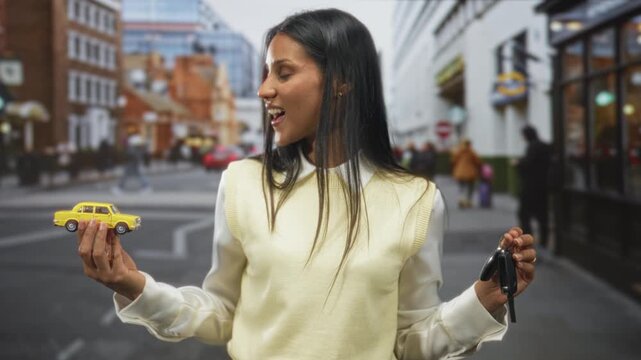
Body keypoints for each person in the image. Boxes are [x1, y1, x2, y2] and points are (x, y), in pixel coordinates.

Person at [76, 9, 536, 359]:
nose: (263, 90)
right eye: (265, 72)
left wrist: (483, 302)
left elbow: (410, 339)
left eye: (284, 72)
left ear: (340, 82)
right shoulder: (243, 182)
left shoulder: (416, 200)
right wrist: (135, 285)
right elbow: (221, 314)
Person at [516, 125, 551, 251]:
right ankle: (544, 241)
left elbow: (527, 164)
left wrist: (518, 163)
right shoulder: (545, 146)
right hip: (543, 186)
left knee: (524, 214)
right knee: (542, 215)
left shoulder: (532, 147)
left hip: (530, 187)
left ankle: (528, 241)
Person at [111, 130, 151, 194]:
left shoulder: (134, 145)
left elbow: (131, 153)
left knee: (127, 175)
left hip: (132, 163)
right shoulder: (137, 145)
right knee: (135, 175)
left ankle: (120, 188)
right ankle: (145, 187)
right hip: (133, 163)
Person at [451, 139, 481, 208]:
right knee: (470, 187)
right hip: (470, 173)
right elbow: (477, 162)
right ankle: (468, 201)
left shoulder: (458, 152)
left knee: (461, 187)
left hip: (460, 173)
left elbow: (453, 161)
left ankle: (461, 199)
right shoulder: (472, 152)